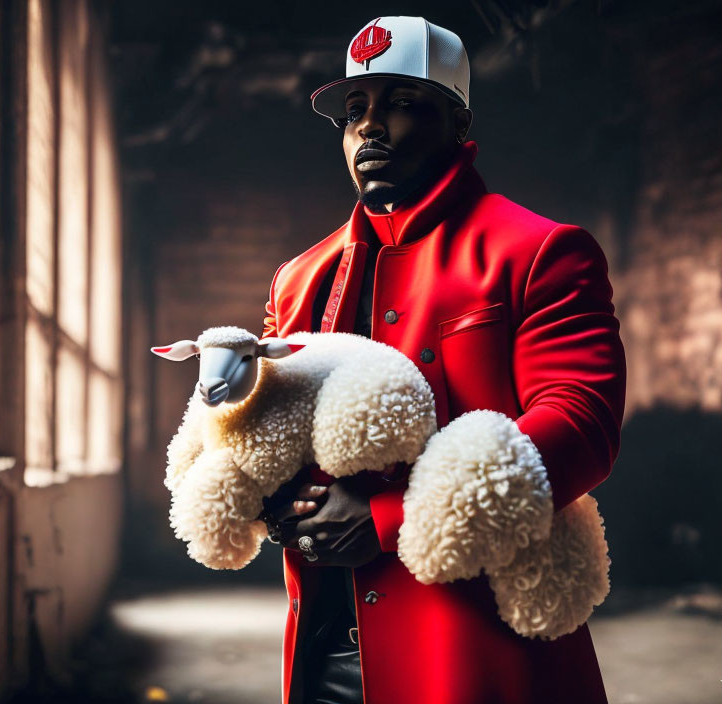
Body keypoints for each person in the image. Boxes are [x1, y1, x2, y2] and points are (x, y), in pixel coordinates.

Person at [259, 15, 626, 704]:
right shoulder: (296, 278)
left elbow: (582, 428)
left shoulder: (540, 252)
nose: (370, 128)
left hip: (472, 646)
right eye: (354, 111)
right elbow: (265, 429)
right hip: (324, 644)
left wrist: (390, 518)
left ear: (458, 125)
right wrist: (277, 499)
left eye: (401, 103)